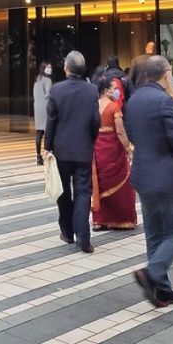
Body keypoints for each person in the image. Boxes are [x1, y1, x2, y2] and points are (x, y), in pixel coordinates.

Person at [126, 56, 173, 307]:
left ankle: (161, 288)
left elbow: (132, 134)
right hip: (164, 174)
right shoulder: (164, 100)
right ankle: (151, 273)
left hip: (142, 173)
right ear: (166, 73)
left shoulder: (134, 99)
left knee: (154, 234)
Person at [45, 50, 100, 253]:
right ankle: (83, 238)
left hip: (61, 150)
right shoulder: (91, 91)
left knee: (63, 191)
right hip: (83, 149)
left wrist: (47, 147)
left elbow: (51, 121)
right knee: (83, 191)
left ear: (66, 68)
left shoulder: (56, 90)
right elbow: (96, 121)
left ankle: (67, 231)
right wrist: (91, 139)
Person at [92, 75, 136, 231]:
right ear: (106, 91)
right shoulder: (114, 107)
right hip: (113, 150)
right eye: (114, 88)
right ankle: (121, 220)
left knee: (100, 182)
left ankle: (99, 220)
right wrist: (129, 149)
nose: (117, 91)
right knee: (120, 181)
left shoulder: (94, 106)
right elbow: (121, 132)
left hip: (98, 148)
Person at [33, 62, 53, 165]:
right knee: (48, 133)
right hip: (45, 108)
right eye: (48, 67)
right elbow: (49, 95)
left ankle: (38, 156)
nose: (50, 69)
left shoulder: (37, 80)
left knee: (39, 133)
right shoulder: (47, 80)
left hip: (37, 109)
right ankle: (48, 154)